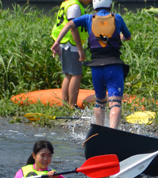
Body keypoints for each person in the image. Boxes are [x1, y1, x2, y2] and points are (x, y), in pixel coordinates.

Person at [51, 0, 131, 129]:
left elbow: (69, 25)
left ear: (94, 7)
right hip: (114, 66)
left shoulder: (88, 18)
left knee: (100, 102)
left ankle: (99, 131)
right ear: (110, 5)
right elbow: (127, 36)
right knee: (115, 103)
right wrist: (120, 37)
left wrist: (57, 42)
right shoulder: (118, 18)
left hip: (96, 68)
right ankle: (112, 132)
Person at [51, 0, 92, 108]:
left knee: (69, 74)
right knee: (76, 74)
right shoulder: (74, 6)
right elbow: (73, 28)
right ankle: (72, 106)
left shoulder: (68, 3)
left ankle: (65, 105)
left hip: (65, 43)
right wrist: (80, 49)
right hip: (71, 44)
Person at [0, 140, 73, 178]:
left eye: (49, 156)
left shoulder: (53, 174)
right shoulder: (23, 171)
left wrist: (59, 177)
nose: (46, 159)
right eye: (42, 155)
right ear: (34, 156)